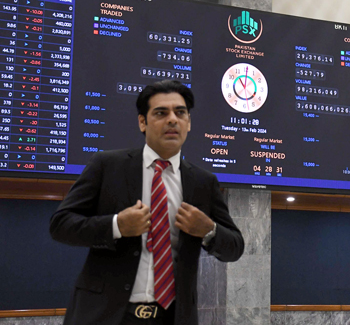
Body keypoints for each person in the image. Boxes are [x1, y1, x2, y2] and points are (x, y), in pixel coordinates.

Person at [50, 80, 244, 325]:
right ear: (143, 122)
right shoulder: (107, 166)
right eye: (161, 113)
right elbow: (60, 224)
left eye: (180, 112)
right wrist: (117, 225)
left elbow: (235, 247)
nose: (172, 119)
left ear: (189, 123)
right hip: (106, 315)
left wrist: (208, 230)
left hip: (172, 317)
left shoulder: (203, 182)